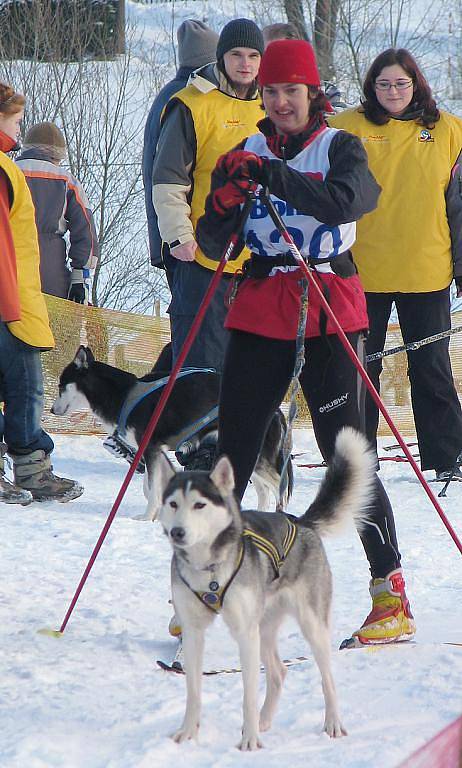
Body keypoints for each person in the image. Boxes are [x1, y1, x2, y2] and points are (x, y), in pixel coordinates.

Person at [196, 39, 415, 645]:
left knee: (346, 447)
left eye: (291, 90)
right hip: (263, 301)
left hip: (330, 303)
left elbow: (348, 201)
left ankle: (389, 593)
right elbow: (214, 244)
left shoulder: (339, 146)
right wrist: (223, 205)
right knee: (235, 446)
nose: (280, 101)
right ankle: (215, 581)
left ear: (312, 93)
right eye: (270, 91)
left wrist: (274, 177)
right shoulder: (244, 151)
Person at [330, 49, 462, 482]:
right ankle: (357, 462)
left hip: (426, 270)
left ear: (416, 84)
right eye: (384, 84)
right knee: (360, 369)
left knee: (432, 368)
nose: (392, 92)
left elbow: (458, 205)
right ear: (372, 86)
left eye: (401, 84)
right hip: (361, 271)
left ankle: (447, 458)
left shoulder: (448, 130)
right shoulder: (346, 126)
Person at [152, 18, 264, 374]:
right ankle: (198, 430)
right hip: (204, 256)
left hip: (261, 258)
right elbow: (168, 180)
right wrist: (179, 236)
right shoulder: (191, 104)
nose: (244, 63)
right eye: (236, 54)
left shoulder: (274, 105)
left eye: (252, 55)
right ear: (221, 57)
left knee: (254, 369)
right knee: (202, 368)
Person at [0, 84, 83, 504]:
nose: (19, 125)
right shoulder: (2, 169)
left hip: (20, 295)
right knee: (27, 387)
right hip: (12, 302)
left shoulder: (8, 167)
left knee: (22, 387)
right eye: (15, 117)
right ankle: (31, 470)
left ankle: (30, 468)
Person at [142, 20, 219, 270]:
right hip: (187, 237)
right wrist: (179, 235)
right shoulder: (188, 99)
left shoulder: (167, 95)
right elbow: (171, 174)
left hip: (169, 233)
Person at [16, 121, 98, 304]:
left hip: (10, 265)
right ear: (57, 155)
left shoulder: (8, 172)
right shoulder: (66, 180)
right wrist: (80, 277)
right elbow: (86, 232)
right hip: (51, 272)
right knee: (52, 329)